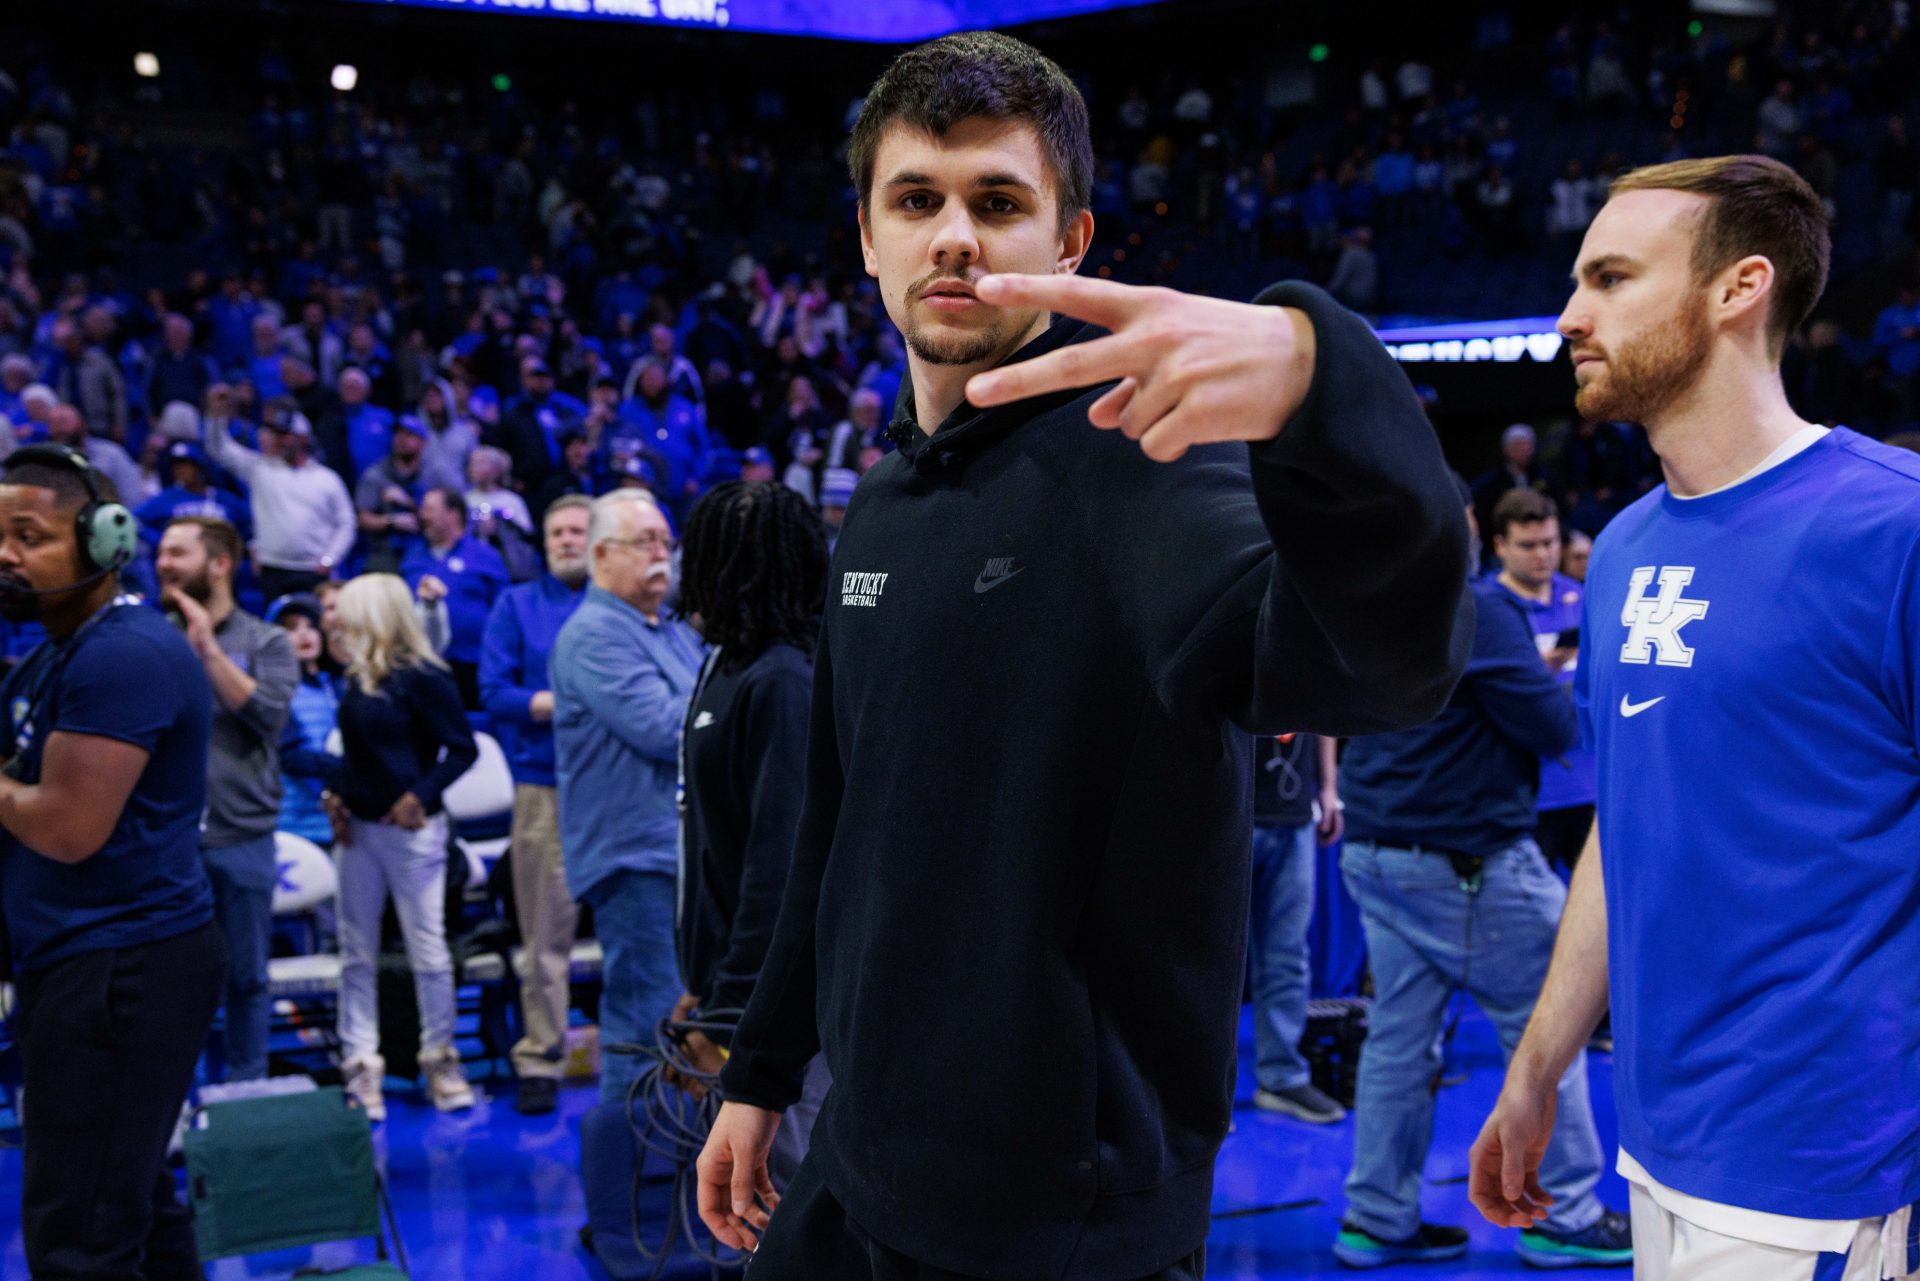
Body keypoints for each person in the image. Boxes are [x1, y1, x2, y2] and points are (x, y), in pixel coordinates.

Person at [694, 32, 1469, 1280]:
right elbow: (837, 825)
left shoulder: (1147, 466)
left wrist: (1328, 388)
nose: (955, 234)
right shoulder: (882, 502)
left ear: (1070, 245)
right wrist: (764, 1068)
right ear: (867, 238)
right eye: (918, 200)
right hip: (862, 1155)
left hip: (1058, 1219)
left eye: (997, 202)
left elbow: (1382, 672)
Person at [1474, 156, 1920, 1281]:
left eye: (1613, 278)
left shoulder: (1893, 533)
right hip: (1657, 1143)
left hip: (1823, 1171)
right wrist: (1536, 1071)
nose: (1573, 315)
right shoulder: (1622, 549)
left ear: (1739, 289)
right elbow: (1625, 834)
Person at [1334, 472, 1629, 1270]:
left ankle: (1377, 1218)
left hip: (1376, 849)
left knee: (1398, 1041)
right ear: (1466, 528)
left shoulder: (1368, 599)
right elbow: (1553, 723)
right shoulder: (1480, 608)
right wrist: (1558, 675)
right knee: (1549, 1026)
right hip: (1467, 861)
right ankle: (1563, 1213)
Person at [0, 444, 225, 1279]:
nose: (5, 556)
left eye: (29, 536)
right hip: (91, 956)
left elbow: (65, 828)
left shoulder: (121, 654)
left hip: (121, 965)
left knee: (81, 1234)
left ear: (102, 542)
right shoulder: (58, 652)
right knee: (128, 1205)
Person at [674, 481, 832, 1179]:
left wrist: (731, 1013)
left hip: (781, 1022)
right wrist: (705, 987)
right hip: (738, 997)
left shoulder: (784, 682)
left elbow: (780, 873)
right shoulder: (730, 666)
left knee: (784, 1205)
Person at [550, 490, 703, 1105]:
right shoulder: (592, 635)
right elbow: (671, 727)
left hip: (676, 852)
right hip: (634, 857)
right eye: (646, 542)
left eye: (666, 541)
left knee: (681, 1019)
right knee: (648, 1020)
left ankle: (673, 1178)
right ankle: (635, 1178)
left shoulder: (665, 628)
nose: (662, 554)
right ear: (602, 554)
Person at [321, 573, 478, 1121]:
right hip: (359, 831)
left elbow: (463, 749)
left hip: (413, 832)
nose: (335, 618)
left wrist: (421, 795)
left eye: (345, 609)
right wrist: (335, 795)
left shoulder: (424, 677)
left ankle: (440, 1057)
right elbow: (359, 758)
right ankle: (361, 1064)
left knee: (428, 950)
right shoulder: (354, 675)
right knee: (355, 953)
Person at [155, 516, 298, 1084]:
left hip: (242, 836)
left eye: (178, 552)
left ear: (219, 564)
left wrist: (208, 650)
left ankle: (248, 1101)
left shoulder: (267, 641)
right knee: (168, 985)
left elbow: (267, 716)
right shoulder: (150, 641)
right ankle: (168, 1111)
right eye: (162, 553)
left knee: (247, 980)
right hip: (167, 842)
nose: (164, 563)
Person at [477, 494, 592, 1116]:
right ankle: (540, 1055)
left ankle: (650, 1048)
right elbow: (493, 691)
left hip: (615, 785)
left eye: (578, 529)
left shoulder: (617, 605)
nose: (567, 539)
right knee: (545, 934)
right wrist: (562, 703)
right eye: (557, 530)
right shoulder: (515, 604)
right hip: (542, 784)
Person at [1487, 488, 1595, 874]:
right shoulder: (1486, 609)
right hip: (1524, 794)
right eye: (1528, 545)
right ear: (1500, 545)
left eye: (1549, 542)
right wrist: (1535, 674)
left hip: (1589, 785)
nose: (1542, 554)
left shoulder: (1583, 597)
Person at [1246, 731, 1347, 1124]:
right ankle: (1196, 1093)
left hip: (1294, 813)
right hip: (1225, 813)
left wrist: (1328, 787)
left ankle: (1282, 1078)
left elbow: (1324, 710)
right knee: (1211, 961)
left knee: (1287, 956)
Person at [205, 390, 356, 602]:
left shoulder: (326, 478)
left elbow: (346, 522)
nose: (277, 440)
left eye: (284, 435)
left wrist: (330, 559)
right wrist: (216, 416)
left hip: (313, 570)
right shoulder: (260, 469)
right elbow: (218, 447)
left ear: (301, 439)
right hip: (273, 568)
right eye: (276, 435)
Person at [401, 486, 509, 708]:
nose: (423, 516)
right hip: (424, 664)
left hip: (473, 662)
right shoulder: (412, 555)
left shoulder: (484, 556)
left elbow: (503, 609)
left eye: (430, 509)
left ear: (454, 514)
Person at [267, 592, 343, 850]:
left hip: (336, 821)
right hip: (293, 824)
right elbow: (290, 757)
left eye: (311, 626)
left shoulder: (333, 685)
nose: (304, 634)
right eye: (291, 627)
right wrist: (348, 768)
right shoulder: (274, 690)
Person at [135, 440, 249, 546]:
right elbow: (134, 520)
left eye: (185, 465)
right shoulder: (167, 497)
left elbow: (248, 524)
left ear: (200, 467)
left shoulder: (223, 498)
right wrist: (160, 539)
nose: (179, 470)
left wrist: (236, 544)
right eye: (176, 466)